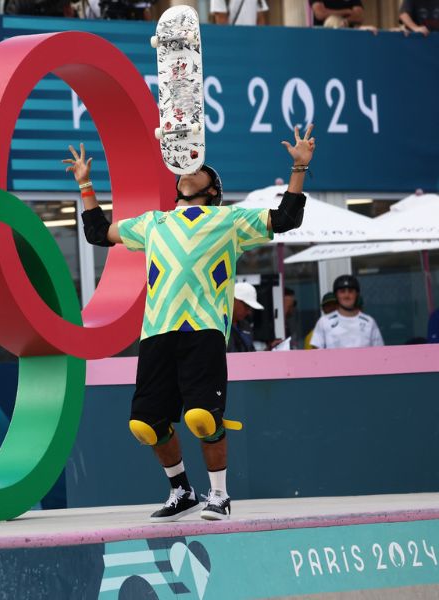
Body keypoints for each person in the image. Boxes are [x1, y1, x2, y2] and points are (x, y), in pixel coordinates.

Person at [66, 124, 315, 522]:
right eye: (184, 168)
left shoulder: (230, 220)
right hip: (156, 332)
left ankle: (219, 495)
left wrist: (298, 167)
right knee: (146, 424)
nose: (188, 168)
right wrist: (85, 185)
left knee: (202, 418)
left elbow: (287, 217)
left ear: (213, 188)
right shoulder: (153, 223)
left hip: (203, 330)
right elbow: (97, 232)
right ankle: (181, 491)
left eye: (199, 168)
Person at [309, 275, 385, 349]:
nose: (346, 295)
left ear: (357, 294)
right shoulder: (324, 321)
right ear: (336, 295)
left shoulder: (369, 322)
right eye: (342, 291)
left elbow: (380, 353)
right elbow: (316, 356)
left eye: (351, 291)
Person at [228, 282, 263, 352]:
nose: (249, 312)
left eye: (250, 308)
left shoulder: (245, 326)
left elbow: (250, 353)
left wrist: (269, 349)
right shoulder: (218, 326)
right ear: (233, 299)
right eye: (247, 306)